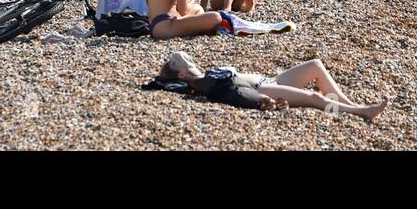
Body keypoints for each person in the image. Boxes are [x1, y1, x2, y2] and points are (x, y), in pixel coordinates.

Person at [155, 50, 388, 120]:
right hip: (262, 89)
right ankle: (361, 112)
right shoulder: (199, 81)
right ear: (182, 74)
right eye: (176, 64)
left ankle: (350, 105)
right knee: (313, 98)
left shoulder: (205, 74)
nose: (179, 59)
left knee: (315, 65)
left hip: (270, 79)